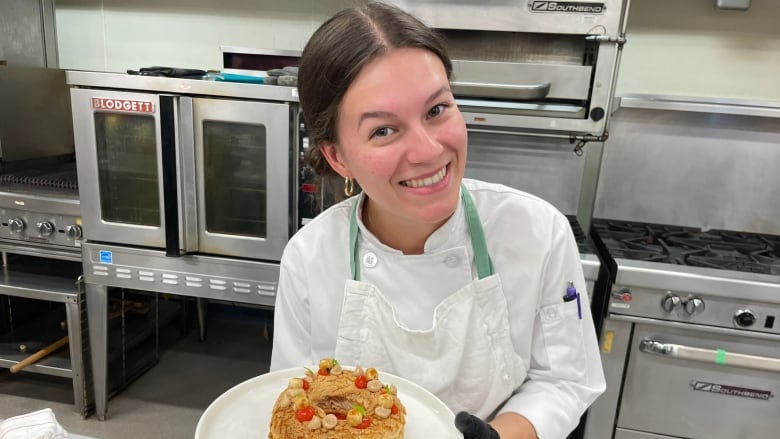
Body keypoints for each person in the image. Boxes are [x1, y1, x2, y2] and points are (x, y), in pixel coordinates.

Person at [270, 2, 605, 438]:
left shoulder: (537, 233)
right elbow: (296, 397)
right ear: (338, 156)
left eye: (436, 110)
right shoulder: (310, 256)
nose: (428, 151)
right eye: (383, 130)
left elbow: (562, 380)